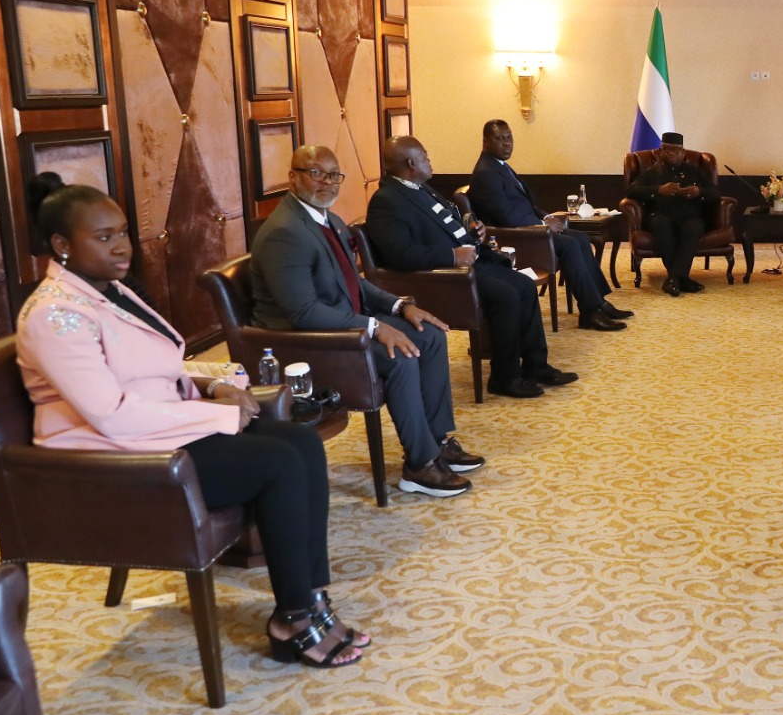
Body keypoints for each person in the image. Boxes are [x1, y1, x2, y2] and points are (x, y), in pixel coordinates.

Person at [16, 176, 368, 669]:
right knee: (279, 463)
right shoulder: (54, 316)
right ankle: (292, 618)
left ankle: (309, 595)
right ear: (62, 245)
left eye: (123, 233)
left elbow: (154, 369)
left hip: (160, 429)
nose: (121, 247)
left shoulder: (108, 289)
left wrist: (213, 386)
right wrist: (216, 413)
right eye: (103, 237)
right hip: (116, 457)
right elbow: (111, 414)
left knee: (302, 445)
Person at [250, 146, 483, 499]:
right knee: (401, 355)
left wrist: (400, 306)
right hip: (308, 342)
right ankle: (420, 465)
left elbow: (354, 284)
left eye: (334, 175)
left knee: (430, 334)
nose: (327, 182)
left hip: (344, 324)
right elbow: (304, 312)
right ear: (293, 177)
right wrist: (375, 326)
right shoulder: (284, 232)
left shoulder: (328, 220)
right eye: (316, 173)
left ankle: (436, 442)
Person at [365, 135, 576, 399]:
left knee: (523, 285)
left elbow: (445, 226)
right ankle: (505, 377)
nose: (430, 161)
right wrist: (451, 256)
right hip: (443, 278)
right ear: (411, 163)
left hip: (469, 263)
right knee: (507, 295)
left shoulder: (420, 188)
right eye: (425, 157)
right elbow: (400, 254)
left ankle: (535, 365)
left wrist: (472, 232)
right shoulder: (387, 200)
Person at [468, 119, 633, 330]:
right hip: (516, 239)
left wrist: (546, 218)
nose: (507, 143)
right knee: (570, 245)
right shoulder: (486, 173)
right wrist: (542, 224)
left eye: (509, 137)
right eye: (500, 138)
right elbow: (506, 216)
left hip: (530, 231)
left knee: (580, 238)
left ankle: (599, 303)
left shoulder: (498, 165)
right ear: (485, 141)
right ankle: (590, 312)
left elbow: (527, 205)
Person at [624, 131, 721, 296]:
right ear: (660, 151)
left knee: (694, 227)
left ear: (683, 153)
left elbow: (715, 193)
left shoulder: (694, 171)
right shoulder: (651, 172)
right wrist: (659, 190)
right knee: (660, 224)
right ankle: (682, 279)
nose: (671, 153)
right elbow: (632, 191)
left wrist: (698, 191)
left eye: (676, 150)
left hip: (690, 216)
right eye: (667, 149)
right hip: (661, 216)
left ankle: (674, 279)